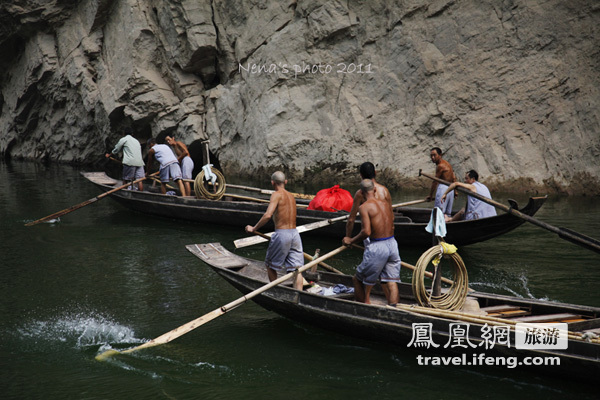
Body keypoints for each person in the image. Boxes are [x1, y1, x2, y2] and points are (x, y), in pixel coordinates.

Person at [342, 179, 400, 305]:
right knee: (391, 282)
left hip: (378, 246)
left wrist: (351, 240)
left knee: (357, 279)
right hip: (392, 243)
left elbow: (366, 232)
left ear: (361, 193)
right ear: (374, 190)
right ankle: (395, 310)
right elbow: (392, 224)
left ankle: (363, 308)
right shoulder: (385, 203)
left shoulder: (364, 207)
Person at [245, 171, 304, 290]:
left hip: (282, 234)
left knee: (270, 265)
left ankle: (276, 291)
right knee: (297, 269)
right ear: (285, 182)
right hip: (295, 234)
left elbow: (267, 215)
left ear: (272, 183)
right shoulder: (291, 196)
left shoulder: (276, 195)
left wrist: (254, 228)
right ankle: (299, 296)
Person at [346, 162, 393, 238]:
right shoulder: (385, 190)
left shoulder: (361, 193)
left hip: (371, 235)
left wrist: (348, 237)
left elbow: (351, 219)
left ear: (361, 175)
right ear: (375, 173)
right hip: (388, 235)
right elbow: (392, 217)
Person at [426, 147, 456, 218]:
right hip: (450, 189)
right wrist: (455, 191)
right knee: (447, 214)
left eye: (434, 155)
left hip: (443, 189)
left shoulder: (440, 166)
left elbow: (435, 181)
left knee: (439, 213)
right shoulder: (447, 164)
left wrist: (430, 195)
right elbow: (454, 177)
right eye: (431, 156)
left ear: (440, 155)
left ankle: (438, 228)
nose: (432, 157)